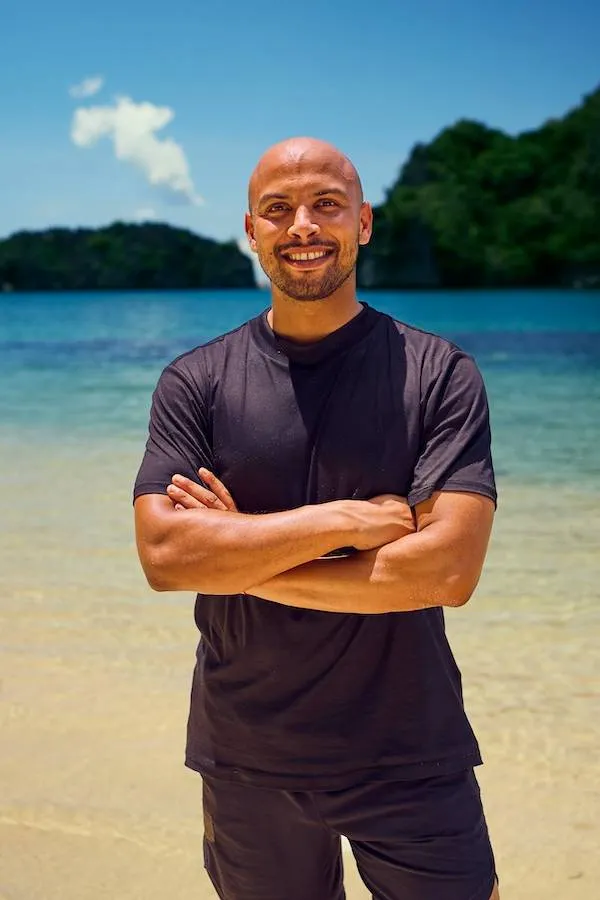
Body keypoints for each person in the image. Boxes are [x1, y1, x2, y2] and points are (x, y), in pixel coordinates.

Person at [133, 137, 500, 900]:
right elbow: (166, 556)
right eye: (278, 209)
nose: (302, 225)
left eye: (326, 204)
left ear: (362, 223)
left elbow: (447, 572)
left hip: (409, 746)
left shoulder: (439, 374)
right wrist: (343, 522)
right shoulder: (195, 382)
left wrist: (241, 557)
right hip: (246, 752)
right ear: (252, 231)